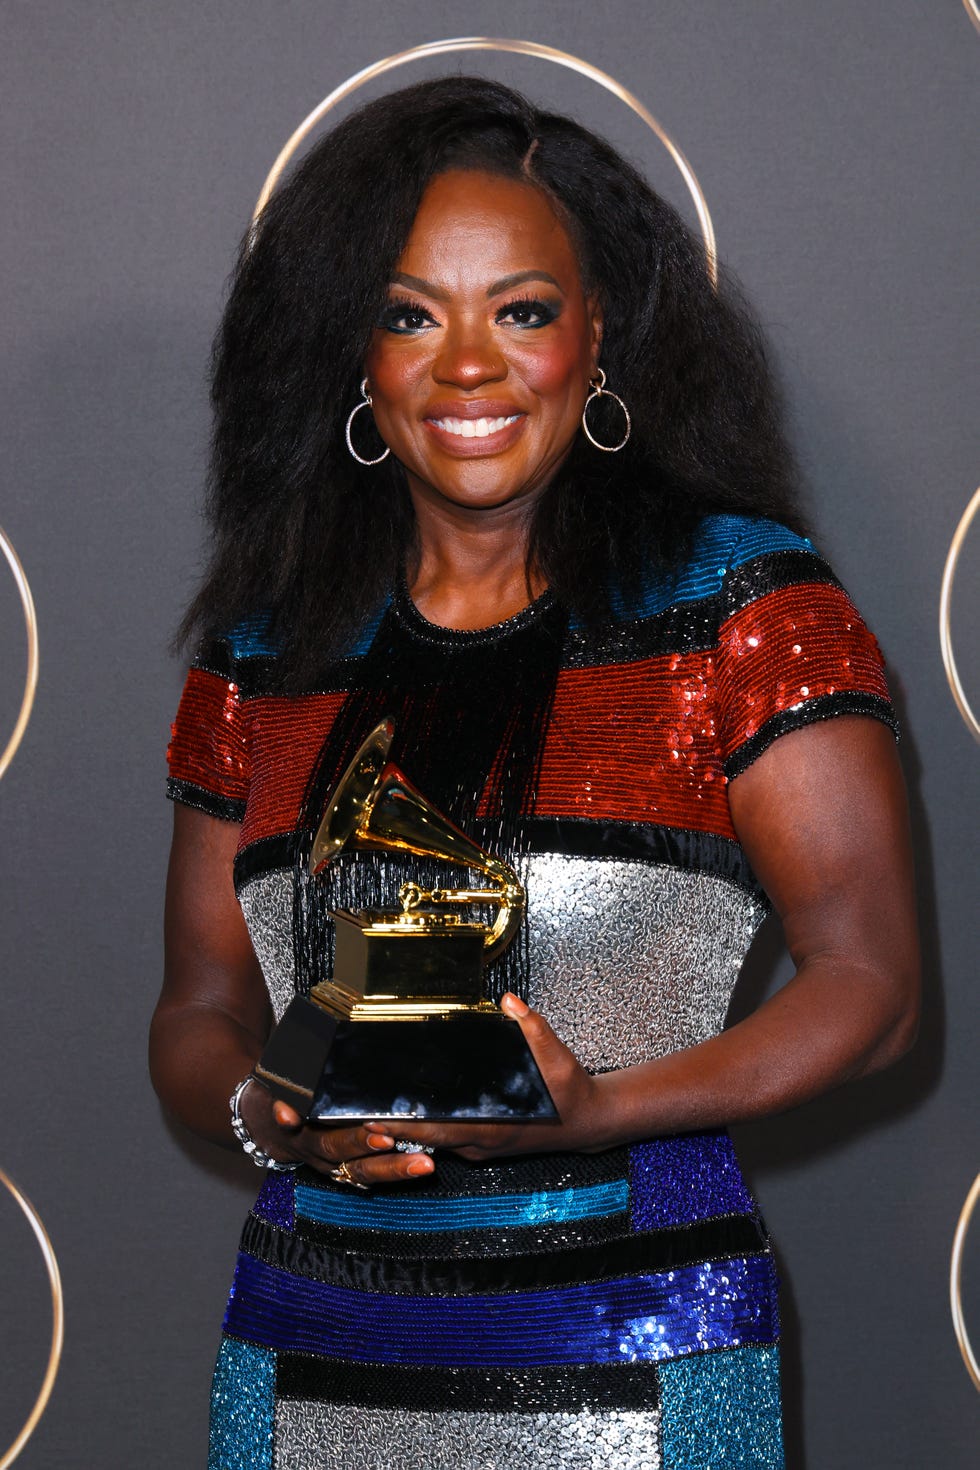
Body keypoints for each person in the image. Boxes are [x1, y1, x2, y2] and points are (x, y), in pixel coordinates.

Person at [150, 76, 920, 1469]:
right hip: (310, 1359)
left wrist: (608, 1105)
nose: (466, 365)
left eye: (520, 310)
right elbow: (199, 1008)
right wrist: (267, 1110)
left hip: (638, 1349)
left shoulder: (739, 610)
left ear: (596, 334)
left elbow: (872, 989)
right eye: (407, 314)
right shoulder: (263, 657)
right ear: (353, 357)